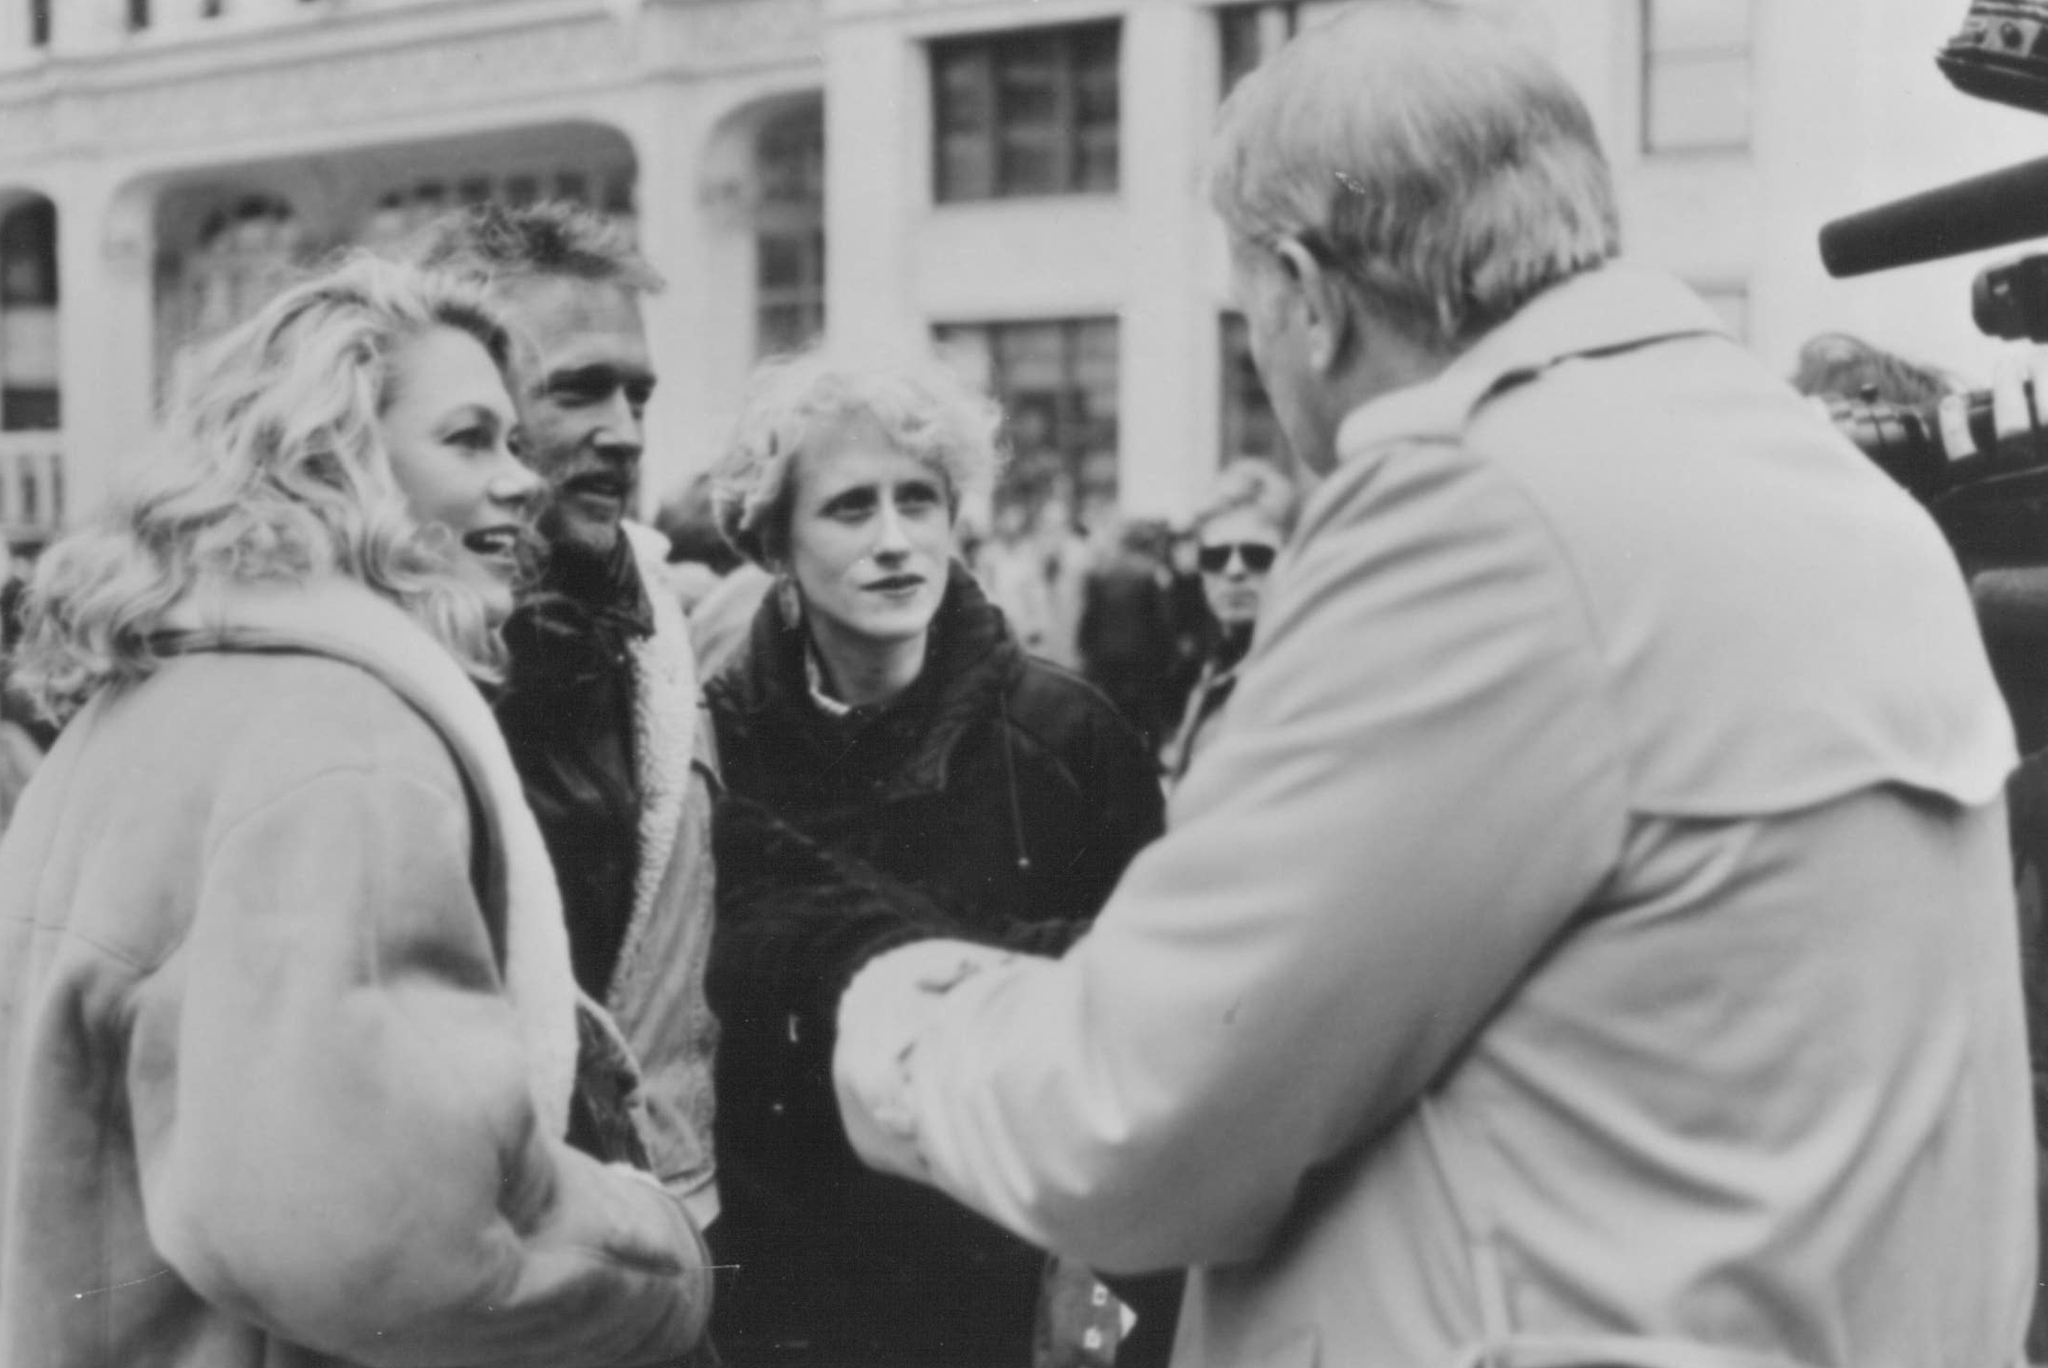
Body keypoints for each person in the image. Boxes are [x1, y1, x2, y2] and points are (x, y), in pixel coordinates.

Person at [829, 4, 2035, 1366]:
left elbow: (1141, 1116)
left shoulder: (1478, 506)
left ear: (1307, 292)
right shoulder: (1820, 484)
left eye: (1250, 321)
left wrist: (898, 1031)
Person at [0, 256, 712, 1367]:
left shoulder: (151, 698)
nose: (519, 482)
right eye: (471, 441)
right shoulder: (349, 747)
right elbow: (380, 1243)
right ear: (339, 464)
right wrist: (654, 1254)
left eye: (517, 444)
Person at [702, 351, 1171, 1367]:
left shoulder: (1069, 738)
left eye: (917, 500)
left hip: (1000, 1291)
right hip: (783, 1294)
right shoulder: (712, 745)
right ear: (774, 540)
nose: (893, 541)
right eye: (848, 508)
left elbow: (1151, 1021)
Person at [416, 202, 721, 1223]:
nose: (625, 433)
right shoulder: (380, 660)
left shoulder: (658, 622)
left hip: (646, 1216)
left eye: (638, 394)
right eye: (578, 392)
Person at [1161, 460, 1298, 787]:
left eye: (1257, 555)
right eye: (1215, 557)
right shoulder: (1216, 665)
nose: (1234, 570)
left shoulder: (1297, 673)